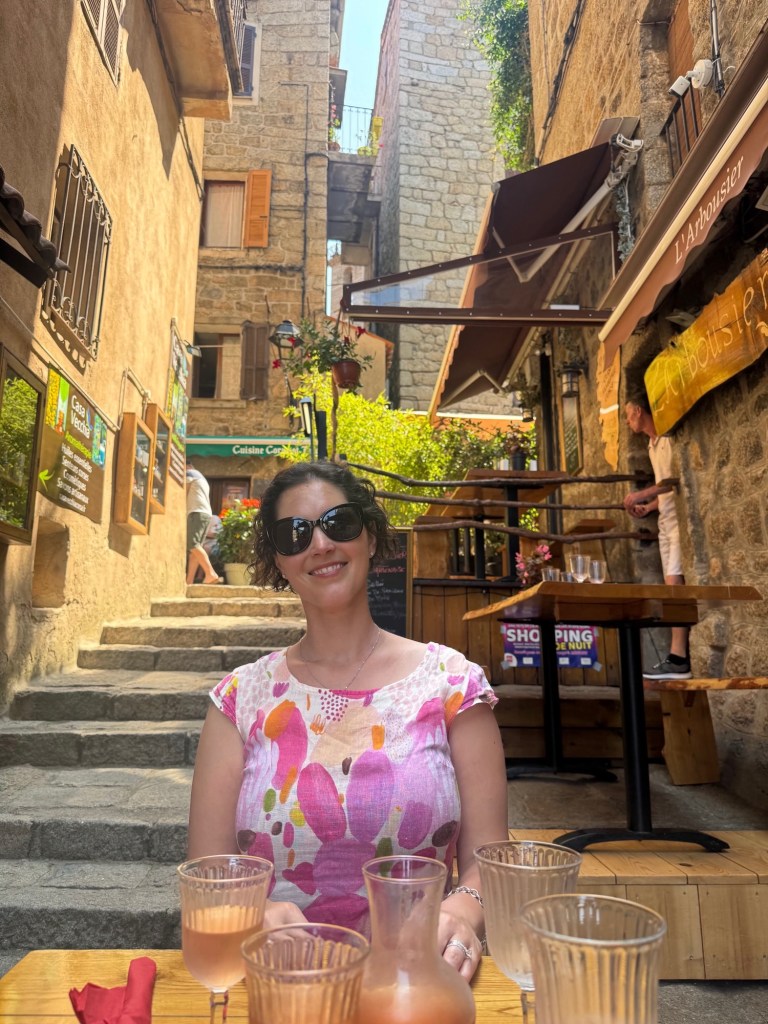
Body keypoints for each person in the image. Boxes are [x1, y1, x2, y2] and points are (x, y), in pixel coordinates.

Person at [188, 461, 508, 980]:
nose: (320, 544)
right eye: (295, 534)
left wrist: (463, 912)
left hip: (416, 985)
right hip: (282, 990)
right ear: (280, 561)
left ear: (371, 537)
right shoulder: (239, 699)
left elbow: (488, 862)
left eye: (338, 523)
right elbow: (207, 879)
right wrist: (251, 915)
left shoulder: (453, 684)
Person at [623, 393, 691, 679]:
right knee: (669, 586)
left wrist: (642, 494)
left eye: (628, 415)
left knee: (674, 586)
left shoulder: (668, 439)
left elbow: (673, 481)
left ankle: (679, 657)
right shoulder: (651, 447)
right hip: (665, 521)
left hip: (678, 522)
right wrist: (649, 507)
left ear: (639, 411)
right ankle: (677, 655)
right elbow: (664, 491)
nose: (627, 422)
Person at [185, 464, 222, 585]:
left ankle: (210, 573)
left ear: (188, 466)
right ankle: (189, 581)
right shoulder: (202, 479)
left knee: (192, 544)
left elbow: (183, 492)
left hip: (196, 512)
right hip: (205, 514)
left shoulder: (190, 473)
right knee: (195, 548)